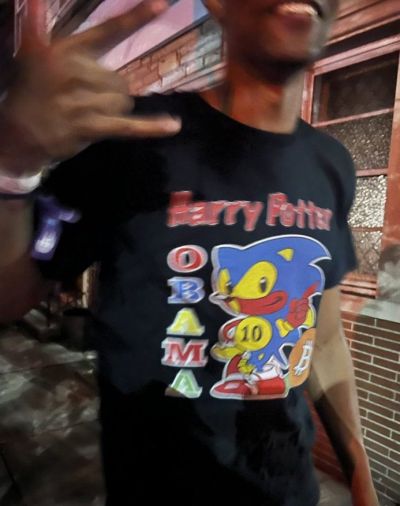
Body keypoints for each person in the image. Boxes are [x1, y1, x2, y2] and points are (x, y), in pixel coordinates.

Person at [0, 0, 379, 504]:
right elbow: (9, 295)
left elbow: (324, 340)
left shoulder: (331, 164)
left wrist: (361, 477)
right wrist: (14, 163)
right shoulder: (131, 137)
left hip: (289, 490)